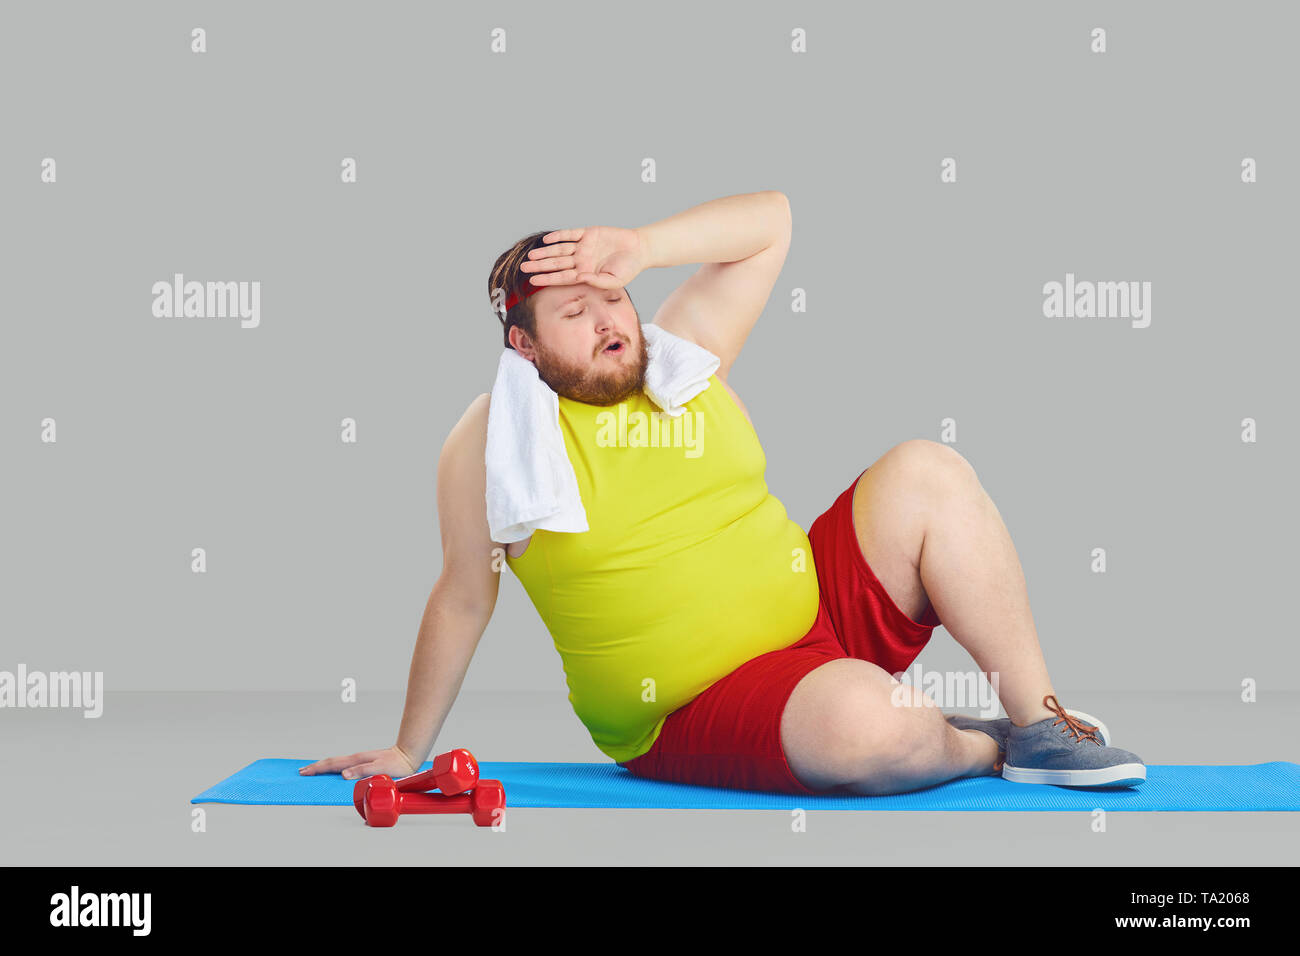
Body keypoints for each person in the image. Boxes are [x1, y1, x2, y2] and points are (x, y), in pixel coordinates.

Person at [301, 190, 1145, 795]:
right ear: (522, 345)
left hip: (821, 621)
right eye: (575, 313)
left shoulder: (684, 355)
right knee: (867, 729)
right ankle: (976, 747)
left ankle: (1037, 724)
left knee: (928, 468)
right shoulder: (491, 443)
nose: (609, 321)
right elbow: (460, 599)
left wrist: (639, 244)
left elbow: (772, 220)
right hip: (691, 708)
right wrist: (409, 750)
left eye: (612, 298)